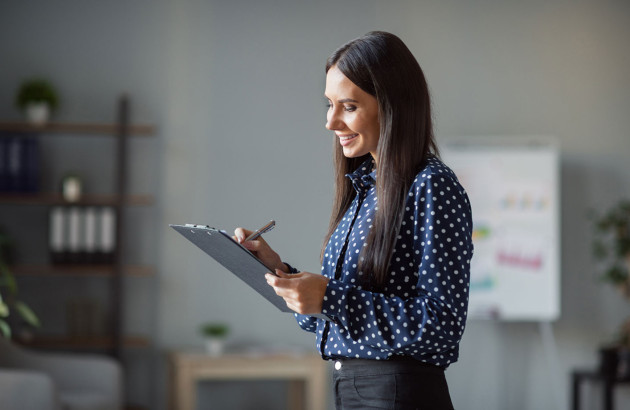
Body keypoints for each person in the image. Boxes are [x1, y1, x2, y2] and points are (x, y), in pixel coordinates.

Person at [234, 31, 473, 410]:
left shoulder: (431, 185)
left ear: (392, 106)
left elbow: (441, 328)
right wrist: (278, 270)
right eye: (329, 104)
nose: (330, 122)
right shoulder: (365, 188)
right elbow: (333, 320)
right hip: (352, 390)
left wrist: (330, 297)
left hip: (398, 395)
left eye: (348, 106)